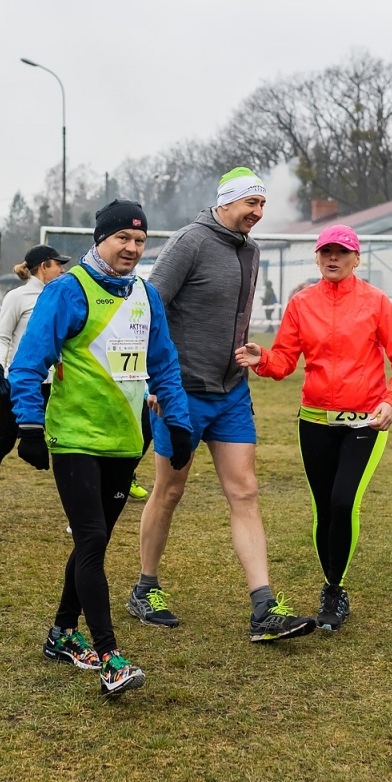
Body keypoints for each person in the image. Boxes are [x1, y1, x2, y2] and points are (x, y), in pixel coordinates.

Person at [9, 200, 194, 695]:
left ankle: (62, 633)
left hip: (123, 441)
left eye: (140, 241)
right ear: (100, 240)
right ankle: (110, 655)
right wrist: (28, 424)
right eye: (123, 239)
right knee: (91, 540)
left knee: (94, 543)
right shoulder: (68, 290)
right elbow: (26, 363)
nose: (132, 248)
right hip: (74, 440)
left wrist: (179, 427)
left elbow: (165, 367)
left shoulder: (147, 296)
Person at [135, 167, 316, 643]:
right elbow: (151, 307)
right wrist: (154, 381)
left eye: (262, 205)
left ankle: (263, 606)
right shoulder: (189, 241)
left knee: (246, 492)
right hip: (181, 392)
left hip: (232, 391)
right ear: (227, 201)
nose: (258, 213)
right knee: (169, 492)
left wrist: (243, 350)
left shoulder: (250, 251)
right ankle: (145, 587)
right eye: (250, 204)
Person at [236, 224, 392, 630]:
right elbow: (284, 361)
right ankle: (330, 584)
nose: (333, 258)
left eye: (341, 252)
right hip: (314, 422)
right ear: (317, 258)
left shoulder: (376, 302)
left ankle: (334, 590)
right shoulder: (302, 304)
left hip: (364, 423)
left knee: (342, 503)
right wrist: (261, 357)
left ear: (356, 258)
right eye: (325, 252)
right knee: (323, 507)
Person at [0, 244, 70, 521]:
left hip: (54, 384)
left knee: (66, 442)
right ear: (43, 267)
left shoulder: (62, 297)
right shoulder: (18, 297)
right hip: (20, 384)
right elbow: (2, 336)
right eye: (58, 264)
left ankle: (78, 513)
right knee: (5, 441)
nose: (63, 269)